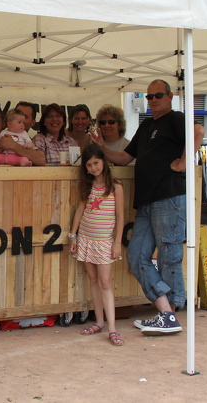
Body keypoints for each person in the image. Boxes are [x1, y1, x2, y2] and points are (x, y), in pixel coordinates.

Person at [90, 79, 205, 335]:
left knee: (169, 256)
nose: (153, 100)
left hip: (169, 197)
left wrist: (183, 163)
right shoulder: (146, 125)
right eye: (149, 96)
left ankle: (169, 313)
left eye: (158, 95)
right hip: (146, 201)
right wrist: (101, 149)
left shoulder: (175, 119)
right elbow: (124, 157)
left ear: (170, 96)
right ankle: (166, 313)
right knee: (136, 256)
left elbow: (198, 131)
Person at [69, 144, 125, 345]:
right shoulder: (88, 186)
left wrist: (117, 242)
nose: (93, 168)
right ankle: (99, 322)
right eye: (89, 165)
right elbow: (80, 210)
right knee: (93, 280)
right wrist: (73, 236)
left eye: (96, 163)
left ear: (104, 162)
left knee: (105, 283)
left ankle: (113, 328)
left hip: (104, 242)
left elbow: (120, 216)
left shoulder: (116, 186)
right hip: (85, 239)